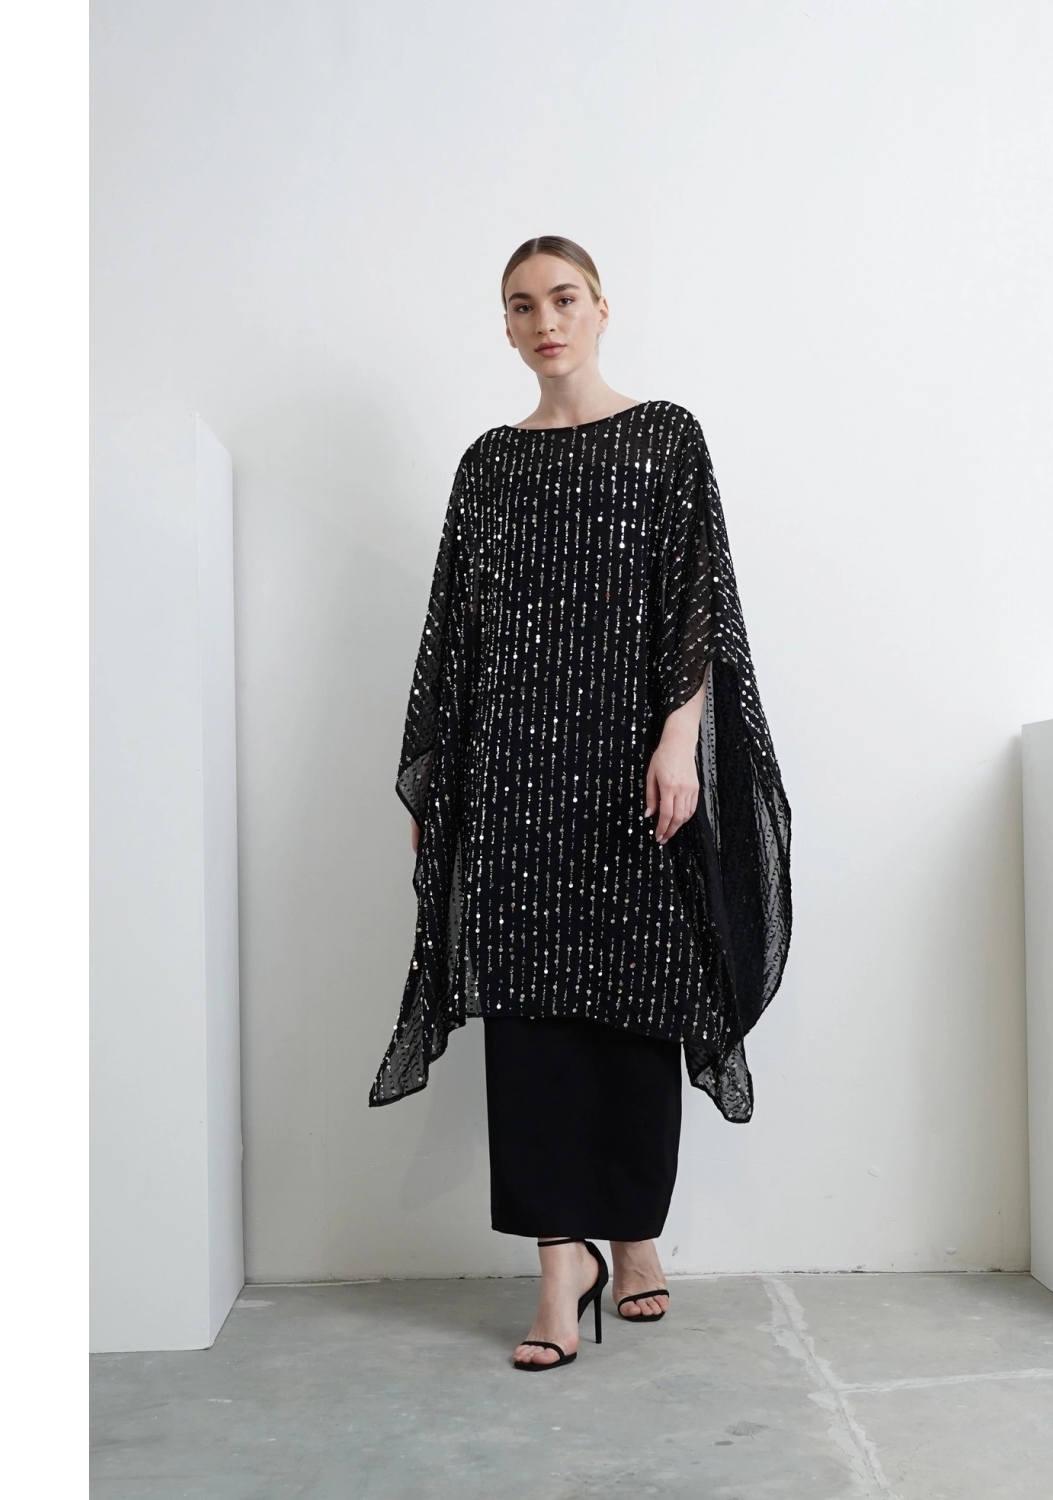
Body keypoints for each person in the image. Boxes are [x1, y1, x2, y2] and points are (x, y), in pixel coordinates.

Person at [369, 235, 792, 1371]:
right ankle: (563, 1268)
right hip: (513, 773)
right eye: (522, 305)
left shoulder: (666, 438)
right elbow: (455, 634)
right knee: (530, 1019)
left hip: (629, 771)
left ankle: (635, 1234)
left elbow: (696, 603)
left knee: (638, 1002)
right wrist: (441, 783)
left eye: (563, 298)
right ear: (506, 327)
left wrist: (678, 742)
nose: (544, 320)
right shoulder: (488, 465)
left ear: (603, 307)